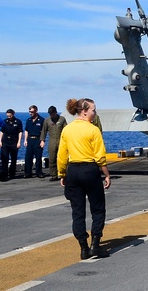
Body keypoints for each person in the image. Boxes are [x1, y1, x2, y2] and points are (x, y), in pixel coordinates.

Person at [58, 98, 111, 260]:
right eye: (94, 109)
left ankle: (83, 247)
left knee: (77, 211)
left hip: (73, 170)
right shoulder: (93, 130)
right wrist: (107, 174)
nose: (95, 112)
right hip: (90, 170)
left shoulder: (67, 130)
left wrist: (62, 173)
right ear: (85, 111)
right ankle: (95, 244)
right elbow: (100, 156)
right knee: (97, 208)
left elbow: (62, 155)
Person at [41, 106, 68, 181]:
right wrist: (42, 140)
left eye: (53, 113)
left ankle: (64, 174)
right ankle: (53, 175)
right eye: (50, 114)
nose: (51, 115)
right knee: (52, 158)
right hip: (52, 141)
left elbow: (66, 130)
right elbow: (44, 131)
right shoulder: (47, 120)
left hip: (61, 140)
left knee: (63, 158)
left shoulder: (62, 119)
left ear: (56, 112)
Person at [0, 109, 24, 181]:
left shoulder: (18, 122)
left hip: (14, 142)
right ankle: (5, 174)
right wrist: (0, 141)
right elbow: (1, 131)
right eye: (8, 116)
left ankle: (12, 173)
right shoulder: (4, 121)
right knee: (4, 159)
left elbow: (20, 132)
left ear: (13, 114)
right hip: (5, 142)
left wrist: (19, 142)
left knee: (13, 159)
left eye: (10, 115)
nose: (9, 117)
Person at [24, 105, 47, 178]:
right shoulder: (29, 120)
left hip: (38, 139)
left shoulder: (42, 120)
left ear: (36, 111)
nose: (30, 113)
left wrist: (43, 141)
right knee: (28, 157)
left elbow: (44, 131)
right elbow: (26, 130)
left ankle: (39, 172)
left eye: (32, 112)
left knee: (38, 157)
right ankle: (28, 172)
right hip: (30, 139)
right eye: (29, 112)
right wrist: (25, 140)